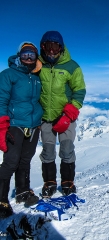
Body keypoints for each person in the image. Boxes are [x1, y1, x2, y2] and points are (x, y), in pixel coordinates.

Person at [38, 31, 86, 198]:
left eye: (55, 46)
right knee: (48, 151)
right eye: (48, 46)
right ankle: (49, 182)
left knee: (66, 149)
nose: (51, 51)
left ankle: (67, 181)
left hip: (66, 116)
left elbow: (79, 91)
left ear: (61, 47)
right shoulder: (38, 65)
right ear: (42, 47)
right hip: (45, 117)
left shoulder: (72, 66)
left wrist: (69, 114)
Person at [0, 42, 43, 218]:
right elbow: (1, 99)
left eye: (31, 55)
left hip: (33, 125)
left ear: (36, 58)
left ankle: (22, 191)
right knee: (11, 161)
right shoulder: (8, 74)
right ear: (19, 56)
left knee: (25, 160)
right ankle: (1, 198)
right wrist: (2, 125)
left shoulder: (36, 77)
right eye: (24, 54)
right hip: (15, 124)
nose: (28, 58)